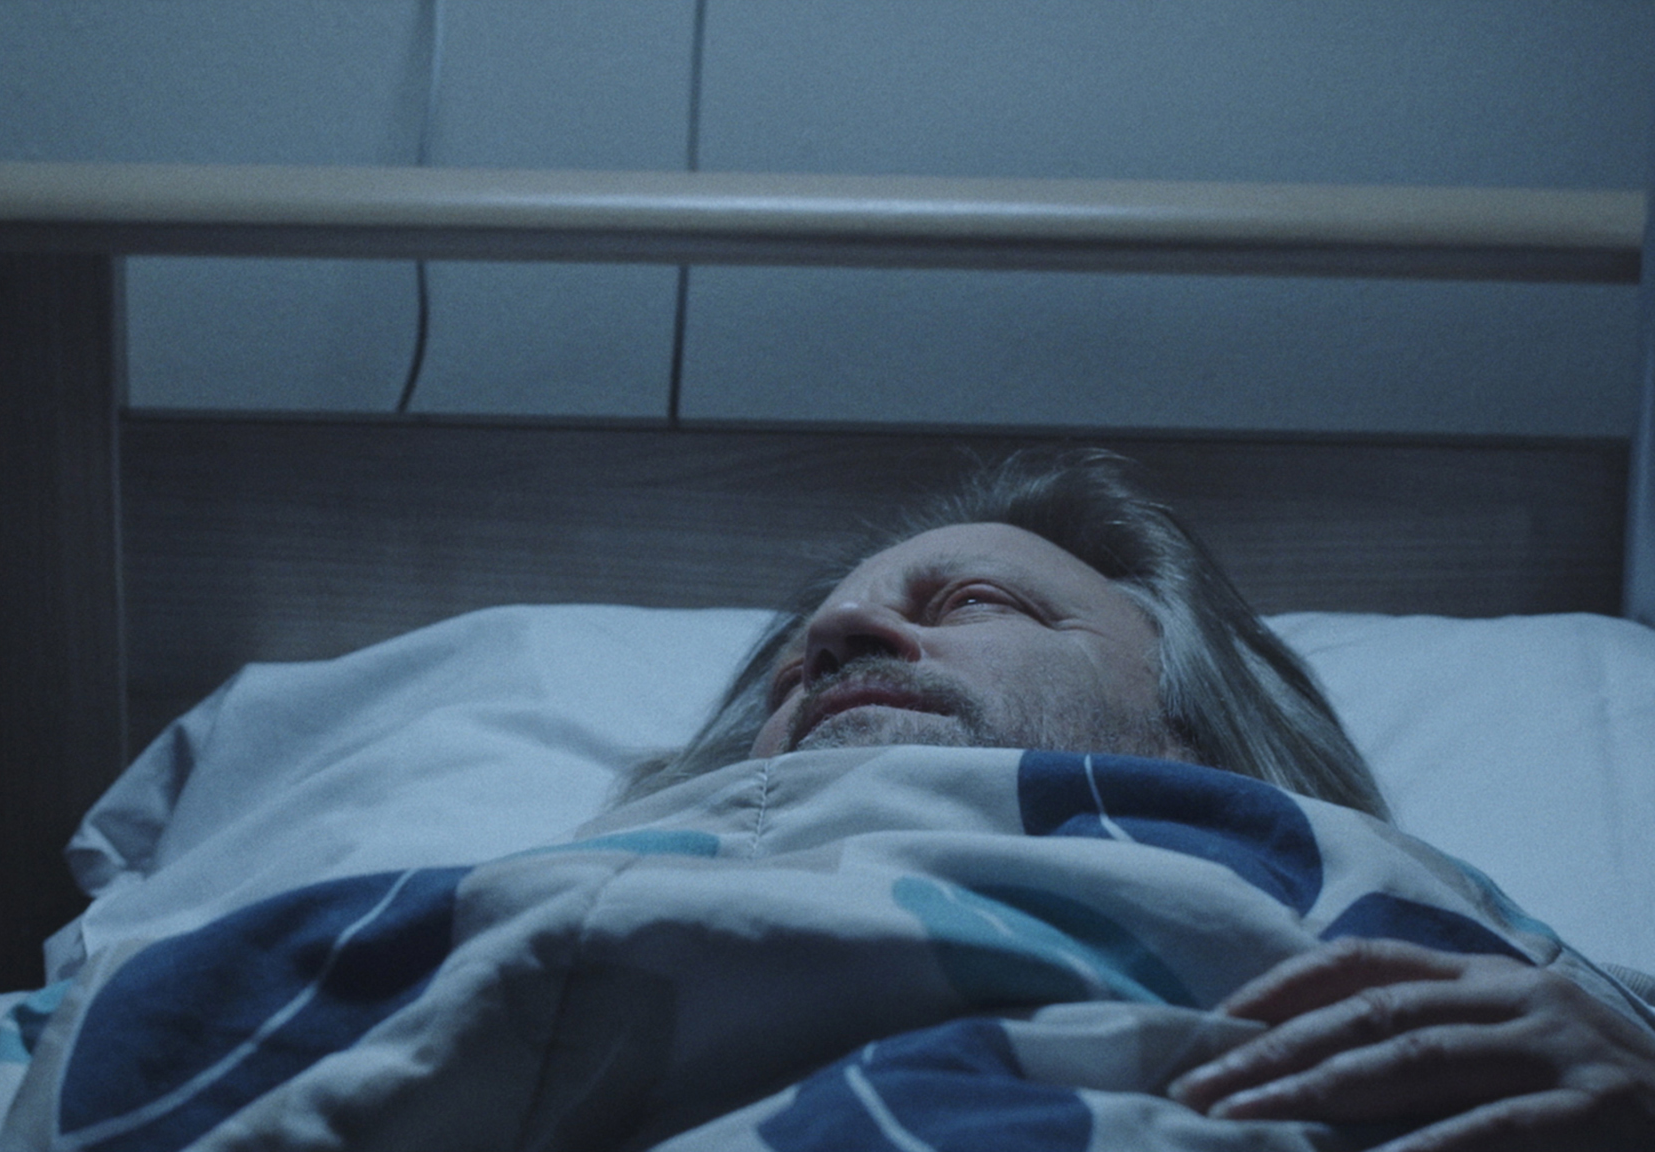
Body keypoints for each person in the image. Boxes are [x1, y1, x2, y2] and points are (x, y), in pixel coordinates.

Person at [622, 447, 1655, 1151]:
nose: (833, 636)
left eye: (972, 602)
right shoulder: (600, 876)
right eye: (792, 671)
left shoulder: (1521, 981)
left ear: (1190, 717)